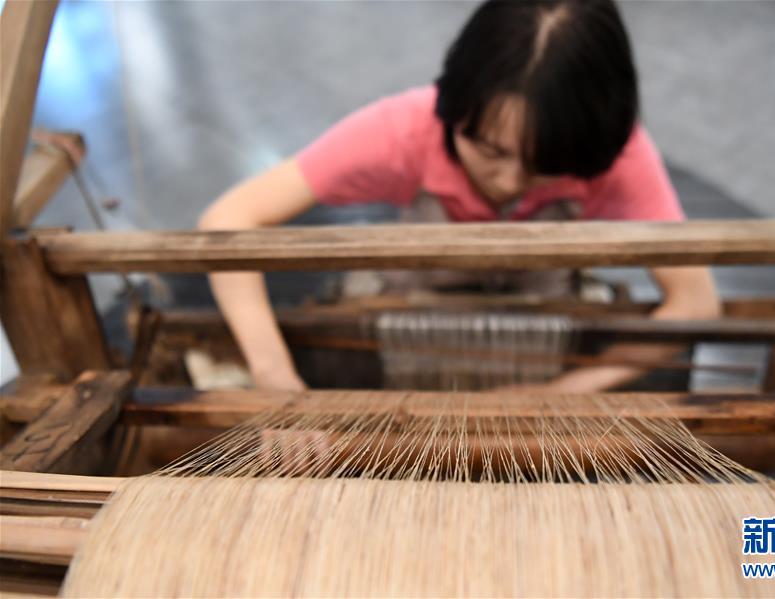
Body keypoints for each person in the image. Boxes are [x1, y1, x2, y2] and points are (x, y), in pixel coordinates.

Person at [199, 0, 720, 393]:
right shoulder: (406, 131)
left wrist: (563, 394)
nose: (509, 182)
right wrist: (274, 376)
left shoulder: (610, 153)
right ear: (454, 107)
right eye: (490, 151)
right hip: (411, 327)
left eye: (543, 168)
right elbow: (230, 218)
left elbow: (696, 301)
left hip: (545, 340)